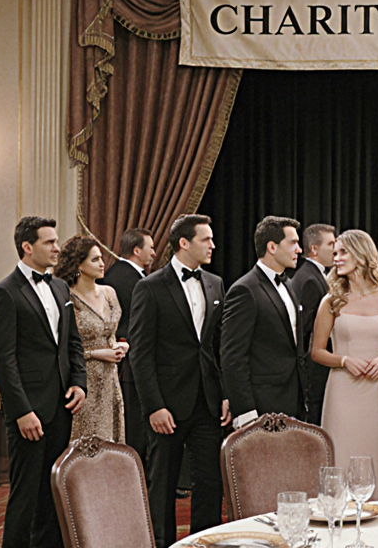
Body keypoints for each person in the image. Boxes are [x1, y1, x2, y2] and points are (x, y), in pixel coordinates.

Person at [0, 216, 86, 548]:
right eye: (49, 242)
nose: (58, 247)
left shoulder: (59, 287)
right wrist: (21, 411)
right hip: (28, 411)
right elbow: (3, 360)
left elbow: (72, 342)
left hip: (61, 406)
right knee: (25, 494)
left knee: (53, 490)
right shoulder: (3, 293)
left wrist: (80, 382)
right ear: (28, 247)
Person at [129, 214, 230, 546]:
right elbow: (140, 354)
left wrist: (226, 394)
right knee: (163, 485)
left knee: (210, 483)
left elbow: (217, 346)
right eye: (206, 239)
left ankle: (203, 544)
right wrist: (154, 406)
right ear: (183, 243)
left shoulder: (215, 283)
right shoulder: (150, 287)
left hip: (208, 401)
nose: (213, 244)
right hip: (167, 404)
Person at [311, 229, 378, 499]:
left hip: (377, 395)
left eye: (342, 252)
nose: (336, 258)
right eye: (334, 252)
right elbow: (316, 351)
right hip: (342, 392)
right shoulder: (331, 302)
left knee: (376, 457)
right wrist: (344, 360)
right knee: (342, 455)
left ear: (362, 254)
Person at [222, 216, 308, 427]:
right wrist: (244, 411)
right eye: (293, 243)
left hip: (292, 402)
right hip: (261, 407)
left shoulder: (288, 285)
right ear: (272, 247)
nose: (299, 250)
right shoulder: (245, 290)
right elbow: (233, 356)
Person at [57, 235, 127, 442]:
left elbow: (111, 334)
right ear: (78, 263)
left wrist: (120, 347)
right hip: (83, 379)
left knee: (111, 444)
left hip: (110, 380)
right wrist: (97, 353)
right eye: (95, 259)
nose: (102, 264)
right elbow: (65, 347)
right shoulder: (67, 297)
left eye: (101, 258)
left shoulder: (109, 293)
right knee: (85, 443)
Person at [98, 228, 154, 466]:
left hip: (124, 360)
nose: (154, 252)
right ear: (137, 250)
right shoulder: (132, 280)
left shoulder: (114, 274)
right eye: (151, 247)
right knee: (133, 426)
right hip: (127, 363)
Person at [291, 223, 336, 425]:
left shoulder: (314, 275)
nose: (335, 250)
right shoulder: (309, 280)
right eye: (331, 244)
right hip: (314, 374)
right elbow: (306, 332)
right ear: (314, 249)